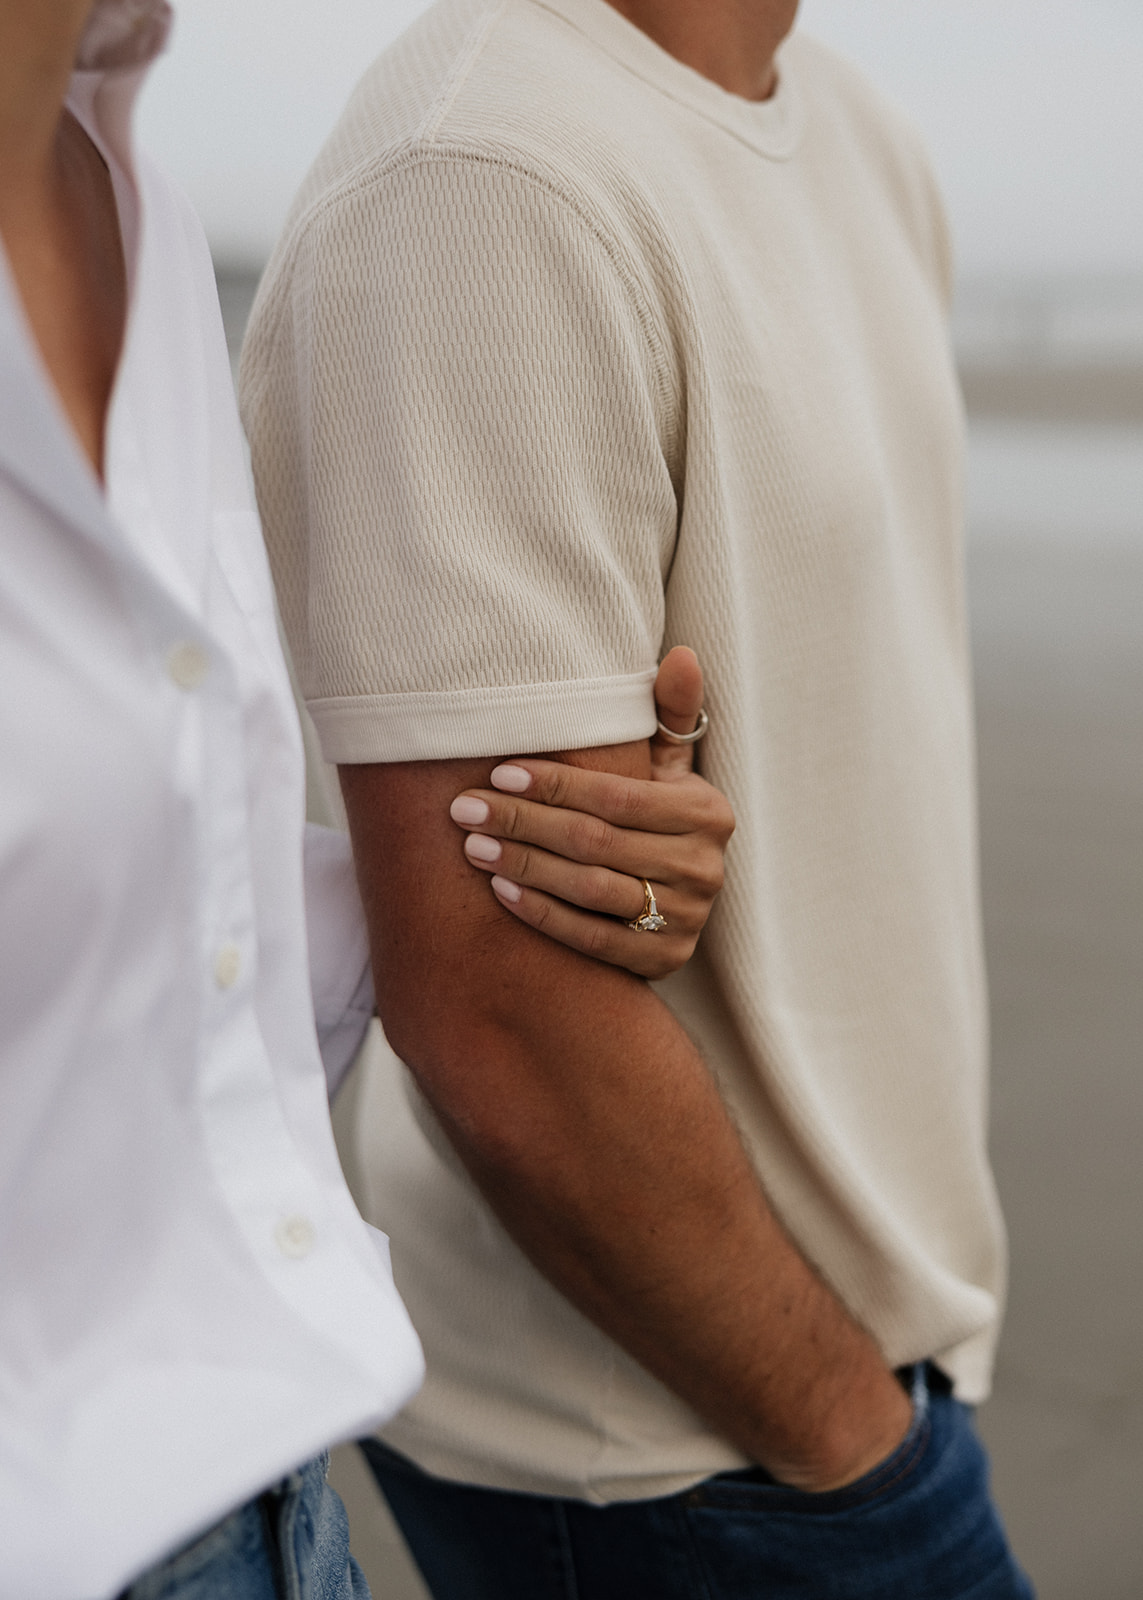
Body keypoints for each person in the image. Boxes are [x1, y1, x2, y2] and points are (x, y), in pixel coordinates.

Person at [240, 0, 1037, 1596]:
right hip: (669, 1428)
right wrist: (840, 1431)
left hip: (852, 1337)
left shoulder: (854, 130)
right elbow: (500, 1013)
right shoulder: (481, 177)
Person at [0, 3, 735, 1596]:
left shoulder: (119, 198)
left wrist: (540, 857)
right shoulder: (455, 166)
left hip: (279, 1496)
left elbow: (97, 859)